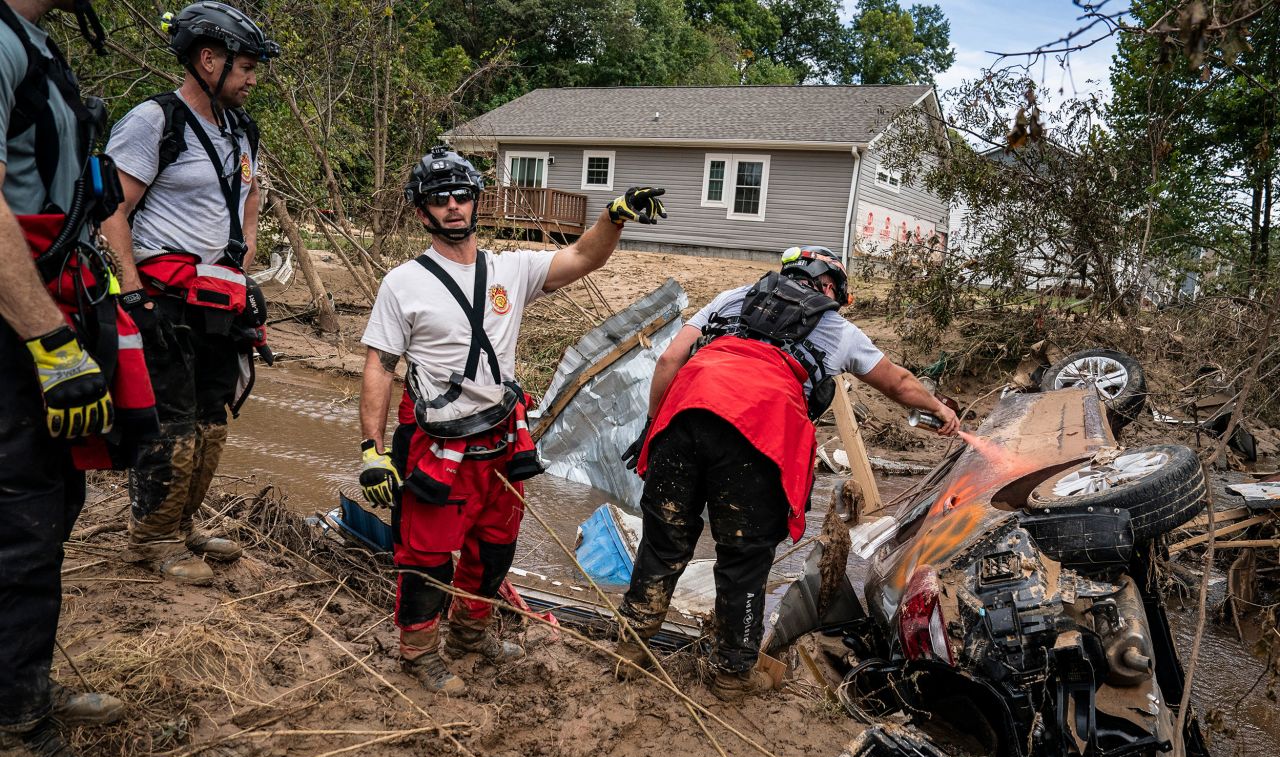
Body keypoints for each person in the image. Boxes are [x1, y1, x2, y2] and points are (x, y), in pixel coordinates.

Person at [358, 145, 665, 695]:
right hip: (436, 445)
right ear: (421, 211)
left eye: (462, 195)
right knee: (425, 555)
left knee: (494, 545)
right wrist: (371, 451)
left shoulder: (511, 269)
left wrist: (613, 217)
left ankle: (470, 637)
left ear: (477, 201)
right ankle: (417, 653)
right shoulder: (402, 283)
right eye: (439, 199)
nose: (453, 206)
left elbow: (583, 258)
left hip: (500, 440)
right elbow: (380, 366)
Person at [615, 245, 959, 701]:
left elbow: (668, 361)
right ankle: (733, 676)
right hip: (758, 435)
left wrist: (654, 425)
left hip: (686, 417)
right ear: (831, 287)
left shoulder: (730, 298)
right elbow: (897, 382)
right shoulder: (837, 328)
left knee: (663, 541)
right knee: (743, 561)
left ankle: (630, 653)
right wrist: (939, 410)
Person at [0, 0, 133, 757]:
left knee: (53, 502)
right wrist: (47, 340)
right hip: (21, 320)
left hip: (52, 300)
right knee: (19, 519)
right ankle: (14, 730)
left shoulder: (36, 45)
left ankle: (23, 687)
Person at [101, 1, 278, 585]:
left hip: (218, 299)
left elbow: (249, 208)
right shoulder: (154, 121)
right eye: (246, 68)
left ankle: (184, 523)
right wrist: (132, 292)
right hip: (163, 297)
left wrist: (244, 268)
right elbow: (112, 212)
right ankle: (152, 537)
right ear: (208, 60)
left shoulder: (241, 130)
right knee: (169, 421)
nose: (253, 80)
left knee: (212, 417)